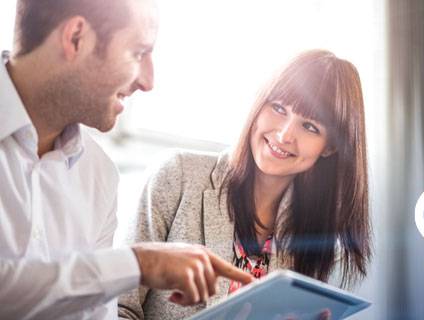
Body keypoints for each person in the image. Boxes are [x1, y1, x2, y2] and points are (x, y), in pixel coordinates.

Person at [0, 0, 253, 319]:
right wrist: (138, 264)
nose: (148, 82)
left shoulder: (98, 173)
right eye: (138, 53)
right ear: (76, 37)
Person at [118, 50, 371, 319]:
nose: (284, 135)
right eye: (278, 108)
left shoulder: (320, 242)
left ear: (330, 146)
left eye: (309, 126)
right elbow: (115, 308)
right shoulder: (178, 177)